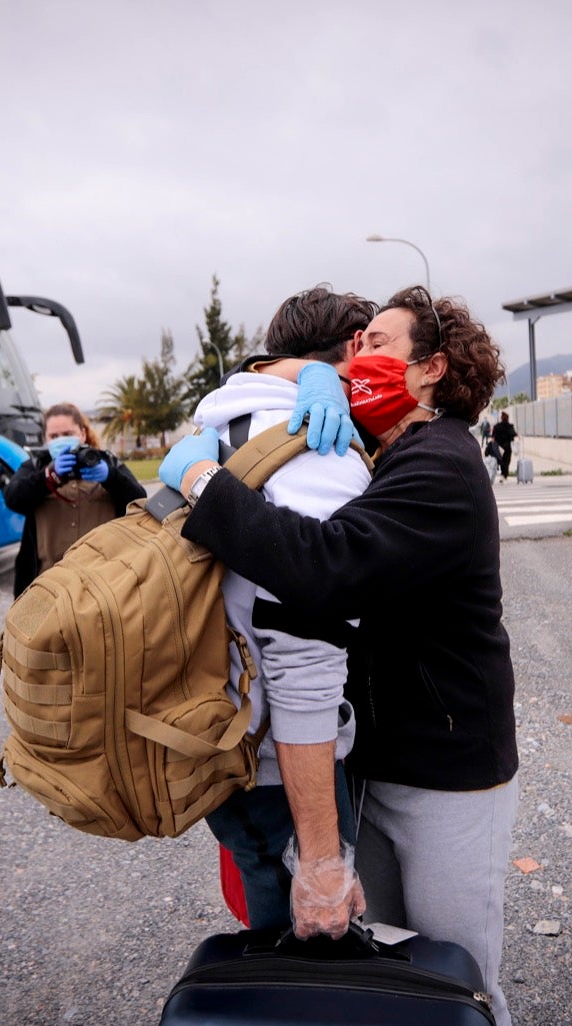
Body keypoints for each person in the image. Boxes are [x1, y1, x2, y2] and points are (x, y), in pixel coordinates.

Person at [159, 286, 527, 1026]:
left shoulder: (444, 462)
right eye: (351, 352)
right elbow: (266, 386)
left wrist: (201, 486)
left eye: (380, 347)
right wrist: (305, 379)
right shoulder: (379, 450)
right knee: (391, 981)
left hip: (449, 775)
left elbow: (325, 570)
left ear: (430, 370)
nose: (358, 361)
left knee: (461, 985)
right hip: (381, 762)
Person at [187, 285, 376, 938]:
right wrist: (322, 859)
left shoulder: (221, 421)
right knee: (307, 965)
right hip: (280, 767)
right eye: (377, 349)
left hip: (217, 735)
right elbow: (304, 656)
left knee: (266, 933)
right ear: (355, 348)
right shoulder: (316, 447)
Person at [3, 402, 146, 599]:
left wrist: (111, 477)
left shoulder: (107, 462)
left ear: (82, 434)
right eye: (54, 436)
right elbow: (12, 498)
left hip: (103, 581)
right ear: (46, 438)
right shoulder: (35, 466)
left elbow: (139, 501)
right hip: (47, 583)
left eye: (67, 433)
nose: (60, 440)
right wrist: (48, 476)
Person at [491, 410, 518, 481]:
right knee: (507, 461)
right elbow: (514, 434)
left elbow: (493, 437)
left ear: (501, 418)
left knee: (501, 461)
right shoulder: (510, 426)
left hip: (499, 448)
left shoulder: (497, 426)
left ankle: (503, 475)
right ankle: (504, 475)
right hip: (507, 447)